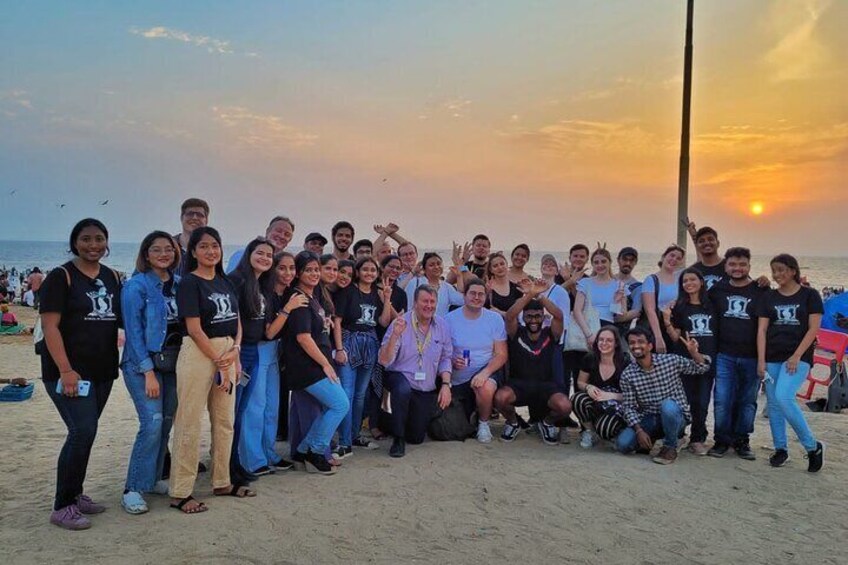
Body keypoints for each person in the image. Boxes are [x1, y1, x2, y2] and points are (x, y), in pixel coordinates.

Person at [40, 218, 122, 529]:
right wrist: (66, 370)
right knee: (81, 431)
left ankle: (75, 495)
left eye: (99, 238)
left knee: (87, 433)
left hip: (102, 370)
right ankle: (62, 506)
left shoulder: (112, 277)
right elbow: (50, 327)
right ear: (75, 242)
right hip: (67, 372)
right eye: (86, 239)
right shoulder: (61, 277)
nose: (93, 245)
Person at [170, 226, 253, 515]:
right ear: (193, 252)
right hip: (199, 352)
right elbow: (193, 328)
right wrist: (218, 358)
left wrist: (236, 349)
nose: (210, 251)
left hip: (228, 351)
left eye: (215, 245)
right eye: (203, 246)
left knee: (224, 420)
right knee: (189, 421)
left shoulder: (225, 281)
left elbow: (236, 318)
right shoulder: (190, 283)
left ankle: (222, 481)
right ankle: (181, 491)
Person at [119, 231, 182, 515]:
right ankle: (133, 488)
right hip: (141, 365)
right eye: (156, 250)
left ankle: (153, 478)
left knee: (166, 422)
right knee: (152, 422)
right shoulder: (136, 286)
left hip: (172, 363)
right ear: (146, 254)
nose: (163, 254)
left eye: (168, 249)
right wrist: (147, 372)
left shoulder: (180, 285)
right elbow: (132, 332)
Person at [756, 254, 825, 472]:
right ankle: (781, 449)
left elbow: (813, 328)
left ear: (793, 270)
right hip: (772, 356)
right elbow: (762, 330)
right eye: (774, 271)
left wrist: (796, 355)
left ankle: (812, 447)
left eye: (782, 270)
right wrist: (761, 361)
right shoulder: (769, 297)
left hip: (799, 357)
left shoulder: (810, 295)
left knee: (784, 397)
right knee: (774, 404)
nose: (777, 275)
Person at [282, 251, 349, 474]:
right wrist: (326, 364)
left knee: (331, 407)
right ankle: (316, 450)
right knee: (340, 404)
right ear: (299, 273)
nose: (313, 273)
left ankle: (303, 450)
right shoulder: (299, 299)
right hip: (307, 366)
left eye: (315, 269)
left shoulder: (311, 296)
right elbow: (303, 338)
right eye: (307, 270)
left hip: (314, 363)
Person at [616, 327, 711, 465]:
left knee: (667, 405)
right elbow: (629, 406)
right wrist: (639, 431)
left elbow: (702, 367)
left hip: (676, 416)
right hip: (650, 418)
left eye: (640, 342)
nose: (636, 346)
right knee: (623, 444)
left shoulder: (670, 361)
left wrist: (694, 352)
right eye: (632, 342)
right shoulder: (628, 375)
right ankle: (654, 438)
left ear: (650, 345)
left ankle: (670, 446)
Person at [378, 284, 453, 457]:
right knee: (402, 390)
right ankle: (397, 438)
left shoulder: (442, 325)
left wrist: (446, 384)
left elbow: (446, 358)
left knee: (417, 437)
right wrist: (395, 335)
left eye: (432, 302)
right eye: (424, 301)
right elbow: (384, 360)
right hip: (399, 379)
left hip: (424, 387)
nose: (429, 306)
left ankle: (396, 423)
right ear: (415, 303)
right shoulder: (401, 323)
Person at [707, 247, 767, 459]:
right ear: (726, 266)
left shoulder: (760, 291)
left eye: (742, 264)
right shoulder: (716, 291)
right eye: (732, 264)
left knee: (747, 401)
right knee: (722, 399)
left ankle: (742, 441)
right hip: (724, 355)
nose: (737, 268)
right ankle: (721, 441)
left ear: (749, 266)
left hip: (752, 356)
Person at [495, 279, 570, 445]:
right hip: (519, 385)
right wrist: (529, 295)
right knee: (500, 398)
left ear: (543, 316)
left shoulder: (551, 334)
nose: (534, 320)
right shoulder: (517, 333)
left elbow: (559, 315)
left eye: (538, 316)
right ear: (524, 317)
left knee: (565, 406)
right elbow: (510, 316)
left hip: (546, 386)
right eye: (529, 316)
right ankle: (513, 422)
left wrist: (540, 296)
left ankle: (547, 423)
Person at [228, 238, 280, 478]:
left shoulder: (262, 287)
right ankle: (232, 464)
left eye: (269, 255)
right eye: (260, 253)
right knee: (234, 411)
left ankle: (237, 463)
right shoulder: (236, 282)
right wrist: (235, 352)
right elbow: (231, 322)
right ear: (248, 254)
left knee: (243, 409)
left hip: (255, 352)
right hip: (239, 352)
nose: (265, 258)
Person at [332, 257, 393, 456]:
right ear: (358, 272)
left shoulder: (377, 293)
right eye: (365, 269)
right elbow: (338, 322)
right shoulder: (348, 292)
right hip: (350, 343)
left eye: (373, 270)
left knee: (360, 396)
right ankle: (344, 441)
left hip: (369, 344)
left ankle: (355, 434)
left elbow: (383, 322)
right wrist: (340, 349)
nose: (369, 273)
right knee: (347, 393)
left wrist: (387, 299)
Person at [662, 268, 717, 456]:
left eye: (692, 279)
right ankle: (679, 435)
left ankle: (697, 438)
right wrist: (667, 321)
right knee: (683, 400)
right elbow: (675, 337)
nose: (688, 283)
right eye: (684, 281)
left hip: (707, 359)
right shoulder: (680, 307)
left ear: (701, 281)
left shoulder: (712, 305)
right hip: (685, 361)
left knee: (702, 401)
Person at [445, 277, 508, 443]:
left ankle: (484, 424)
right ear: (464, 295)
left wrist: (485, 373)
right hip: (458, 378)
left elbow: (501, 354)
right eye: (472, 293)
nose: (477, 297)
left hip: (486, 371)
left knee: (483, 386)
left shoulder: (494, 319)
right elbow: (442, 352)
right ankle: (473, 414)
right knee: (455, 425)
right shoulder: (449, 319)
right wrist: (452, 360)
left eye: (481, 294)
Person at [572, 326, 629, 448]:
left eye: (609, 340)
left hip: (618, 406)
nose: (604, 343)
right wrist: (589, 387)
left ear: (616, 343)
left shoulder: (625, 362)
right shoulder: (590, 358)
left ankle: (615, 432)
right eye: (601, 339)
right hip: (596, 401)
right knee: (577, 399)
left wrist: (610, 395)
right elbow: (580, 382)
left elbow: (633, 395)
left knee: (605, 429)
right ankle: (590, 431)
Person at [572, 247, 625, 349]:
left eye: (603, 261)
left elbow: (620, 316)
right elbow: (577, 310)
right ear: (592, 264)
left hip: (607, 329)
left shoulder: (619, 285)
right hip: (586, 327)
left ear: (610, 262)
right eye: (596, 262)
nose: (600, 265)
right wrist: (589, 335)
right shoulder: (585, 283)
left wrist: (616, 301)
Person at [641, 244, 685, 354]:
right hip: (657, 328)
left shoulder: (680, 278)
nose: (674, 259)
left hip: (675, 327)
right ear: (663, 257)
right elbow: (650, 310)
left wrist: (694, 236)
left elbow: (699, 263)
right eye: (672, 255)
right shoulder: (651, 280)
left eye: (678, 258)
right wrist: (658, 337)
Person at [405, 250, 465, 317]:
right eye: (431, 265)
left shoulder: (446, 287)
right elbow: (409, 308)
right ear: (424, 269)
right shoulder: (415, 283)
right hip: (418, 325)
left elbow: (462, 300)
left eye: (439, 264)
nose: (436, 267)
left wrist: (459, 275)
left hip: (439, 326)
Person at [227, 216, 295, 272]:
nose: (282, 236)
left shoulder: (288, 265)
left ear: (290, 240)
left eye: (287, 234)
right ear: (268, 231)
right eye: (278, 231)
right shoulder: (242, 255)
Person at [173, 198, 209, 276]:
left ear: (206, 221)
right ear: (181, 218)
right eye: (190, 214)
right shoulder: (168, 246)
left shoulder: (211, 251)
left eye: (200, 215)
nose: (195, 218)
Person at [686, 222, 726, 290]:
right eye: (701, 241)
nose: (707, 243)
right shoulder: (693, 271)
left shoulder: (730, 267)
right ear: (697, 246)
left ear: (718, 243)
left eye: (710, 239)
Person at [613, 247, 642, 335]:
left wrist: (614, 317)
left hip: (621, 332)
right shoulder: (608, 280)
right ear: (618, 260)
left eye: (631, 260)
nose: (627, 263)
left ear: (635, 262)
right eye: (624, 259)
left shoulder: (637, 286)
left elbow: (636, 311)